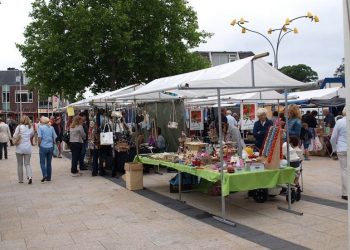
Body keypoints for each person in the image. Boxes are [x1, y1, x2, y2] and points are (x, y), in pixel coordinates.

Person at [330, 110, 347, 200]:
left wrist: (334, 149)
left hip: (342, 148)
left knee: (344, 170)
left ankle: (346, 193)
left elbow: (333, 138)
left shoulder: (340, 122)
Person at [13, 116, 34, 184]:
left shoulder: (19, 127)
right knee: (27, 163)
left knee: (20, 164)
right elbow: (31, 135)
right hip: (28, 147)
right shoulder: (30, 127)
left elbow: (14, 136)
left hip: (19, 147)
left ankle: (21, 180)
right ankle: (30, 177)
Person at [38, 116, 57, 182]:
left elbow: (39, 138)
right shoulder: (51, 128)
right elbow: (54, 138)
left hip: (43, 146)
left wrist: (39, 145)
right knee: (49, 163)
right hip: (50, 147)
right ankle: (49, 178)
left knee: (42, 162)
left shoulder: (40, 127)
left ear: (42, 121)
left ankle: (44, 174)